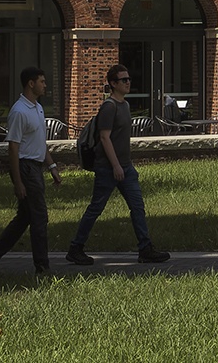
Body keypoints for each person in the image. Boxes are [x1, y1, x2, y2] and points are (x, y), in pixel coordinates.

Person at [64, 63, 169, 265]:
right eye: (123, 80)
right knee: (96, 208)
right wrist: (115, 166)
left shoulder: (126, 105)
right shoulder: (109, 107)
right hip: (108, 168)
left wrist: (123, 165)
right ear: (113, 84)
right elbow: (104, 138)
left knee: (137, 206)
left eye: (128, 79)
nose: (128, 83)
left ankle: (145, 249)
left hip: (126, 167)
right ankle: (76, 248)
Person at [0, 66, 62, 276]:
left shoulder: (38, 108)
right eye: (42, 81)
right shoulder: (19, 111)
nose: (45, 85)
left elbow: (39, 141)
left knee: (25, 217)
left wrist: (51, 166)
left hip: (36, 166)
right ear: (30, 84)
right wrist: (18, 182)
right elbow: (13, 148)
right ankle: (42, 267)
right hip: (26, 168)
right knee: (39, 217)